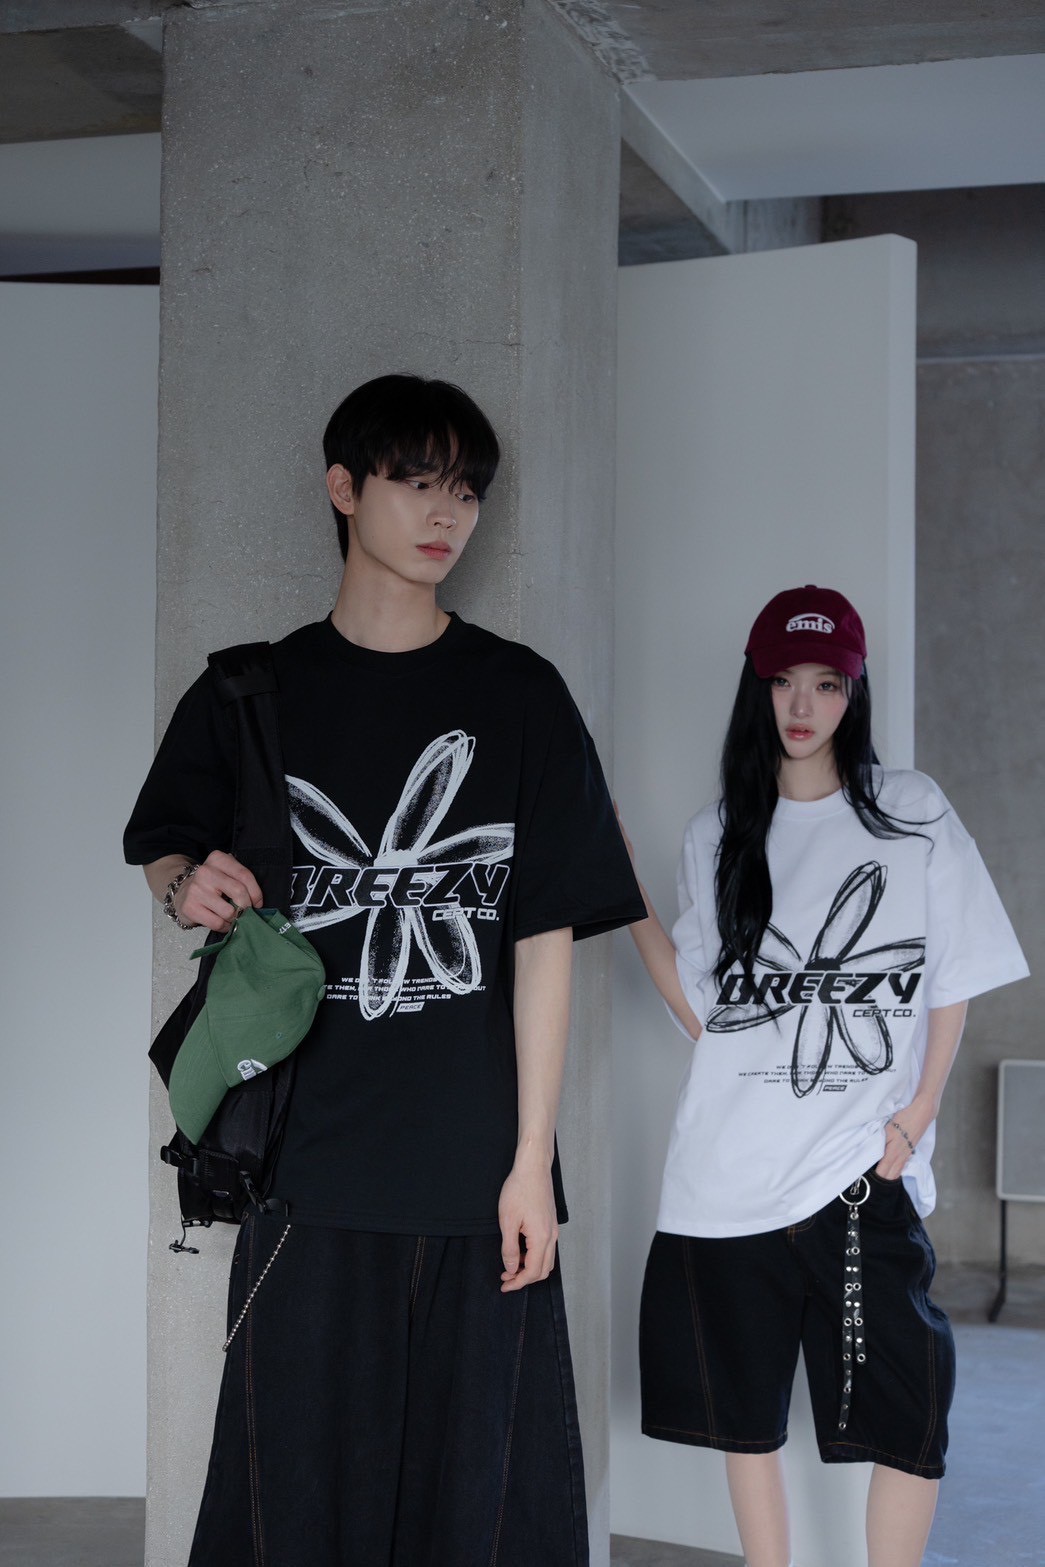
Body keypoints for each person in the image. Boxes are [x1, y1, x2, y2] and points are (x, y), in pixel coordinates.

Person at [125, 373, 644, 1567]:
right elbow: (162, 844)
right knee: (293, 1508)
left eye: (465, 488)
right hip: (304, 1172)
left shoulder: (520, 695)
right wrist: (181, 883)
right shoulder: (252, 692)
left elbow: (544, 943)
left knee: (486, 1512)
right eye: (415, 481)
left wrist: (531, 1163)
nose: (446, 511)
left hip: (475, 1174)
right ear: (344, 488)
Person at [622, 585, 1028, 1567]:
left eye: (827, 683)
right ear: (755, 688)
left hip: (857, 1168)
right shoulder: (718, 833)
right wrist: (625, 895)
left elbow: (953, 974)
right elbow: (705, 1013)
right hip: (730, 1176)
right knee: (746, 1418)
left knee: (909, 1411)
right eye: (783, 681)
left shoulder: (910, 812)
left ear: (855, 692)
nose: (803, 705)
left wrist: (917, 1112)